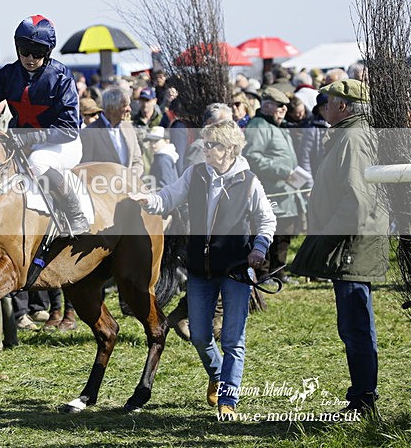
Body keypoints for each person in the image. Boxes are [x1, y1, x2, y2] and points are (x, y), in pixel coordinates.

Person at [130, 120, 276, 418]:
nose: (206, 149)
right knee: (198, 334)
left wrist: (259, 248)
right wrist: (149, 200)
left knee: (234, 339)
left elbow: (266, 221)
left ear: (231, 149)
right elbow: (168, 197)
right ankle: (220, 375)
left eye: (213, 145)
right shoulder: (195, 174)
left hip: (236, 270)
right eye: (206, 144)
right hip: (200, 269)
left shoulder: (249, 182)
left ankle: (228, 399)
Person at [290, 79, 389, 416]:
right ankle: (362, 396)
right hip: (351, 244)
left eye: (328, 101)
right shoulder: (350, 135)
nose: (323, 106)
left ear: (344, 106)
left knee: (356, 326)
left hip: (351, 245)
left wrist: (324, 240)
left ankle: (363, 401)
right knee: (355, 325)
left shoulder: (352, 138)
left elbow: (357, 204)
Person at [0, 15, 88, 235]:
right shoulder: (9, 74)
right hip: (19, 142)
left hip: (62, 143)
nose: (30, 57)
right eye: (24, 50)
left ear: (47, 53)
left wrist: (32, 138)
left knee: (37, 162)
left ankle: (76, 215)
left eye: (37, 52)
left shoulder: (61, 76)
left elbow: (69, 127)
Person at [243, 87, 304, 283]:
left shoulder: (276, 126)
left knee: (284, 234)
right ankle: (264, 273)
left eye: (285, 107)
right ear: (267, 105)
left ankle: (278, 272)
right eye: (280, 106)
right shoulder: (259, 126)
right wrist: (281, 170)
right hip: (270, 191)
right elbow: (252, 157)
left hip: (286, 191)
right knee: (268, 232)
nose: (284, 110)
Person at [80, 87, 145, 179]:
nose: (129, 109)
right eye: (125, 105)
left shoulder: (128, 127)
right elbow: (85, 167)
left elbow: (137, 160)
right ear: (111, 108)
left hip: (129, 189)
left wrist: (130, 178)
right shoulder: (89, 132)